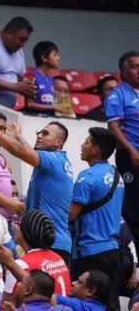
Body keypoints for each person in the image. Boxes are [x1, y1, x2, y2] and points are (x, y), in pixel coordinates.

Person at [0, 108, 73, 263]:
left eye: (45, 134)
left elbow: (19, 151)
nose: (39, 135)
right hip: (50, 240)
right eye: (39, 132)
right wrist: (19, 137)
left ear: (58, 142)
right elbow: (27, 151)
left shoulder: (52, 160)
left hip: (50, 242)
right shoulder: (55, 161)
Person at [69, 127, 124, 311]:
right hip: (112, 250)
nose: (82, 146)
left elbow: (70, 215)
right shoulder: (117, 176)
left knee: (84, 304)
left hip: (89, 251)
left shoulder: (88, 176)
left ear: (95, 150)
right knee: (111, 304)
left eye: (86, 142)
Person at [0, 209, 71, 305]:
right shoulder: (59, 258)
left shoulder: (20, 265)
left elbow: (5, 306)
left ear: (24, 233)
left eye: (18, 225)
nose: (15, 227)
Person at [104, 51, 139, 251]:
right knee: (134, 206)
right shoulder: (117, 95)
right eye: (135, 67)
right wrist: (132, 151)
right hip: (130, 156)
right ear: (124, 72)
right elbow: (114, 128)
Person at [25, 41, 64, 116]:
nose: (58, 58)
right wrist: (53, 107)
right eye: (55, 55)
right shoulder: (32, 76)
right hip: (34, 119)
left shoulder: (50, 79)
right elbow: (29, 104)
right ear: (44, 58)